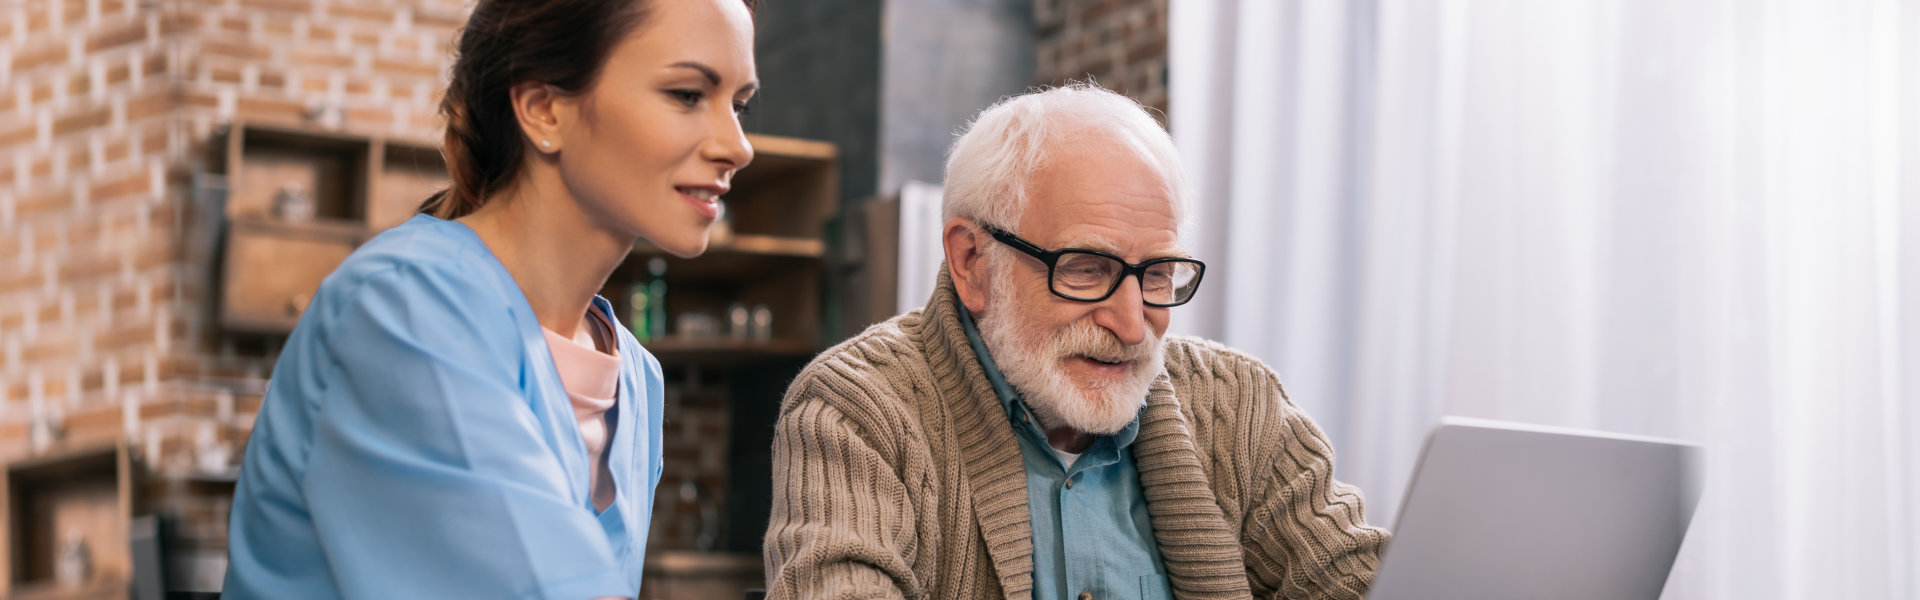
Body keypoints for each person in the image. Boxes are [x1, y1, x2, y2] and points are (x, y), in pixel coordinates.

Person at [762, 83, 1389, 600]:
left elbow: (1358, 581)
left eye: (1158, 274)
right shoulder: (856, 410)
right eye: (1087, 269)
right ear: (973, 261)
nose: (1132, 323)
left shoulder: (1240, 405)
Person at [221, 0, 757, 597]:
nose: (738, 146)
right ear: (543, 109)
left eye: (739, 105)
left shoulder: (636, 378)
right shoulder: (403, 310)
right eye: (687, 94)